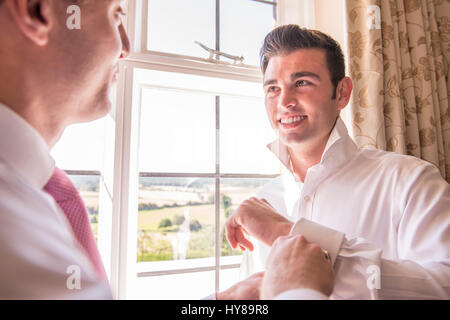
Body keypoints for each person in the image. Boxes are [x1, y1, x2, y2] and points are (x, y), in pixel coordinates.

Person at [0, 0, 335, 299]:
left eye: (302, 83)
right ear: (35, 10)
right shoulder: (11, 214)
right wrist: (296, 293)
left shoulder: (28, 197)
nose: (126, 47)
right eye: (115, 15)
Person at [226, 25, 450, 299]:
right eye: (273, 88)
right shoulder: (265, 202)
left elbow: (443, 287)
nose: (284, 102)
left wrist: (291, 234)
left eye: (302, 83)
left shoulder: (410, 181)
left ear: (342, 93)